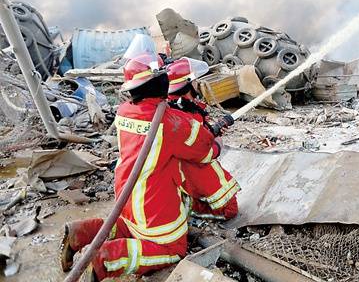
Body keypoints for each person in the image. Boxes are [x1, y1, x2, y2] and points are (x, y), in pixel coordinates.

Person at [60, 52, 225, 281]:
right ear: (160, 81)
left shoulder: (125, 111)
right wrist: (216, 144)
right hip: (153, 205)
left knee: (129, 228)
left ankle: (81, 232)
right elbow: (203, 152)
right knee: (172, 249)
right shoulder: (171, 122)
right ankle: (106, 259)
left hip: (127, 197)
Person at [166, 57, 240, 220]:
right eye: (195, 81)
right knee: (230, 209)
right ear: (187, 85)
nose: (198, 83)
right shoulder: (183, 115)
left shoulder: (181, 106)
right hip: (192, 168)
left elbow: (198, 133)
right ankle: (192, 208)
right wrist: (217, 146)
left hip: (185, 170)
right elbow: (198, 153)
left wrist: (213, 130)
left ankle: (188, 200)